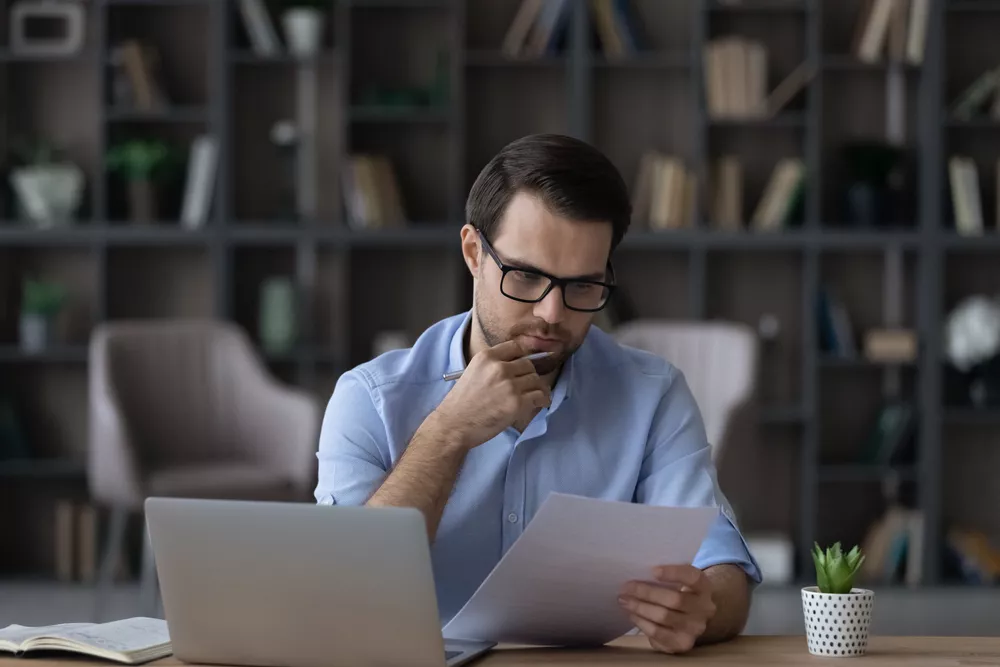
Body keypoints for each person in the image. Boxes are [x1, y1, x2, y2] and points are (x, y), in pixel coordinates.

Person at [314, 133, 762, 655]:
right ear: (473, 253)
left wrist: (701, 608)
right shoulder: (368, 398)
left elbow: (723, 572)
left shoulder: (653, 396)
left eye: (582, 286)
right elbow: (342, 592)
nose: (552, 313)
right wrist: (449, 432)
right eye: (526, 276)